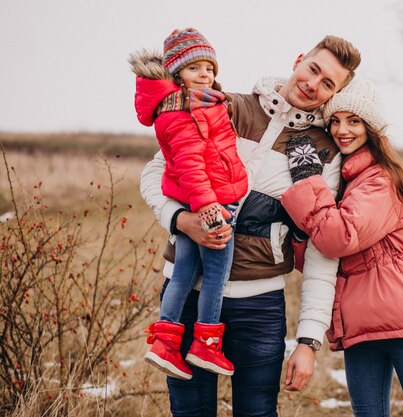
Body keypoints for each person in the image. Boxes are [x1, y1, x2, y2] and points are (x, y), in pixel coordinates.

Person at [140, 35, 361, 416]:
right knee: (189, 410)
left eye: (328, 84)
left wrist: (308, 340)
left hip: (259, 305)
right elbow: (156, 171)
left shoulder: (324, 153)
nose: (313, 84)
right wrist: (180, 220)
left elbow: (323, 252)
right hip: (186, 291)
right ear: (298, 60)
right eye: (313, 69)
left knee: (257, 412)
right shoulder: (225, 106)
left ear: (334, 94)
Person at [280, 79, 403, 417]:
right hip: (357, 324)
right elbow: (319, 252)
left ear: (371, 127)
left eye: (354, 121)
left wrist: (306, 181)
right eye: (335, 121)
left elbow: (339, 237)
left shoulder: (379, 179)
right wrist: (300, 232)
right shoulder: (343, 182)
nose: (342, 130)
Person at [130, 28, 248, 379]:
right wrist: (210, 208)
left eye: (209, 68)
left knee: (183, 272)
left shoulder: (193, 103)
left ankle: (165, 343)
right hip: (214, 202)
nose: (205, 75)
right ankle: (206, 344)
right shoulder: (187, 109)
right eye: (195, 68)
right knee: (215, 275)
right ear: (177, 72)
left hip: (193, 200)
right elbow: (191, 166)